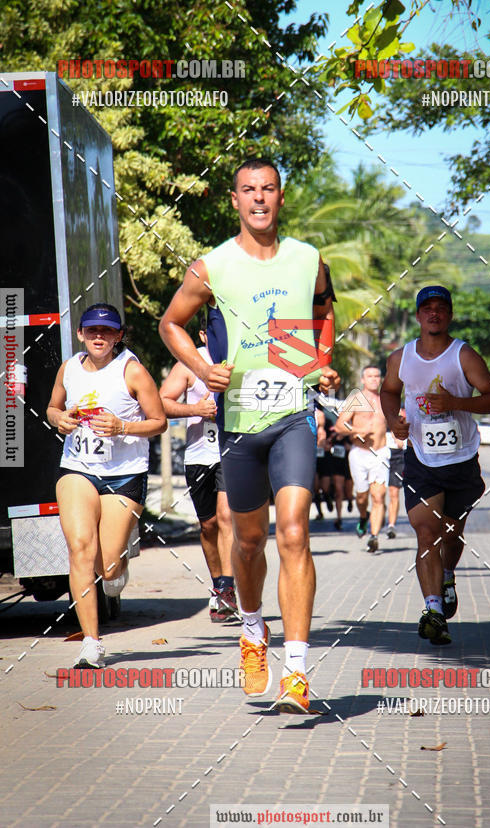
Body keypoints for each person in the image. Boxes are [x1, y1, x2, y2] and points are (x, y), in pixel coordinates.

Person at [159, 158, 339, 713]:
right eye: (248, 190)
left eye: (268, 189)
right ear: (234, 200)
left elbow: (323, 310)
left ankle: (299, 671)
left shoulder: (309, 260)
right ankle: (254, 630)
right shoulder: (212, 265)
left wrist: (321, 361)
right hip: (237, 424)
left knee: (293, 534)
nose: (259, 198)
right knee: (249, 540)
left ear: (282, 198)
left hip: (292, 418)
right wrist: (201, 364)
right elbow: (171, 323)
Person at [380, 286, 490, 645]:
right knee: (425, 533)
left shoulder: (462, 355)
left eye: (441, 308)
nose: (434, 314)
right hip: (421, 457)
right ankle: (433, 611)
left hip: (462, 459)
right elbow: (389, 391)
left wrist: (454, 402)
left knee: (451, 534)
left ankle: (448, 573)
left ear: (449, 315)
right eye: (427, 308)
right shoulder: (400, 358)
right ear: (418, 315)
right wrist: (393, 419)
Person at [47, 303, 167, 668]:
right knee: (80, 548)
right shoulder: (68, 369)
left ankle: (117, 566)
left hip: (124, 475)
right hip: (77, 469)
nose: (100, 337)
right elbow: (52, 407)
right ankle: (91, 643)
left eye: (108, 332)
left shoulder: (132, 371)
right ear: (81, 334)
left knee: (107, 569)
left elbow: (159, 421)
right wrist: (59, 419)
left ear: (118, 336)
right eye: (92, 331)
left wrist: (122, 428)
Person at [160, 323, 238, 623]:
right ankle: (219, 584)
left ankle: (228, 588)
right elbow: (162, 402)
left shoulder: (240, 361)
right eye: (212, 331)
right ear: (203, 336)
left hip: (231, 452)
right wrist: (196, 409)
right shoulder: (188, 365)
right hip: (198, 456)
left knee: (227, 517)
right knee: (208, 526)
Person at [334, 365, 389, 553]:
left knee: (378, 496)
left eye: (377, 376)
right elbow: (340, 425)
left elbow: (396, 422)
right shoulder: (356, 399)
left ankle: (373, 537)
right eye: (370, 376)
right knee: (362, 496)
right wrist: (358, 431)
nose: (374, 379)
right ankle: (363, 517)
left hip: (381, 452)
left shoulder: (386, 401)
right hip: (359, 453)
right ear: (363, 380)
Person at [386, 416, 407, 538]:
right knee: (378, 494)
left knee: (393, 492)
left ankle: (391, 525)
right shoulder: (377, 407)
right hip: (381, 453)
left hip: (398, 455)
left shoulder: (402, 413)